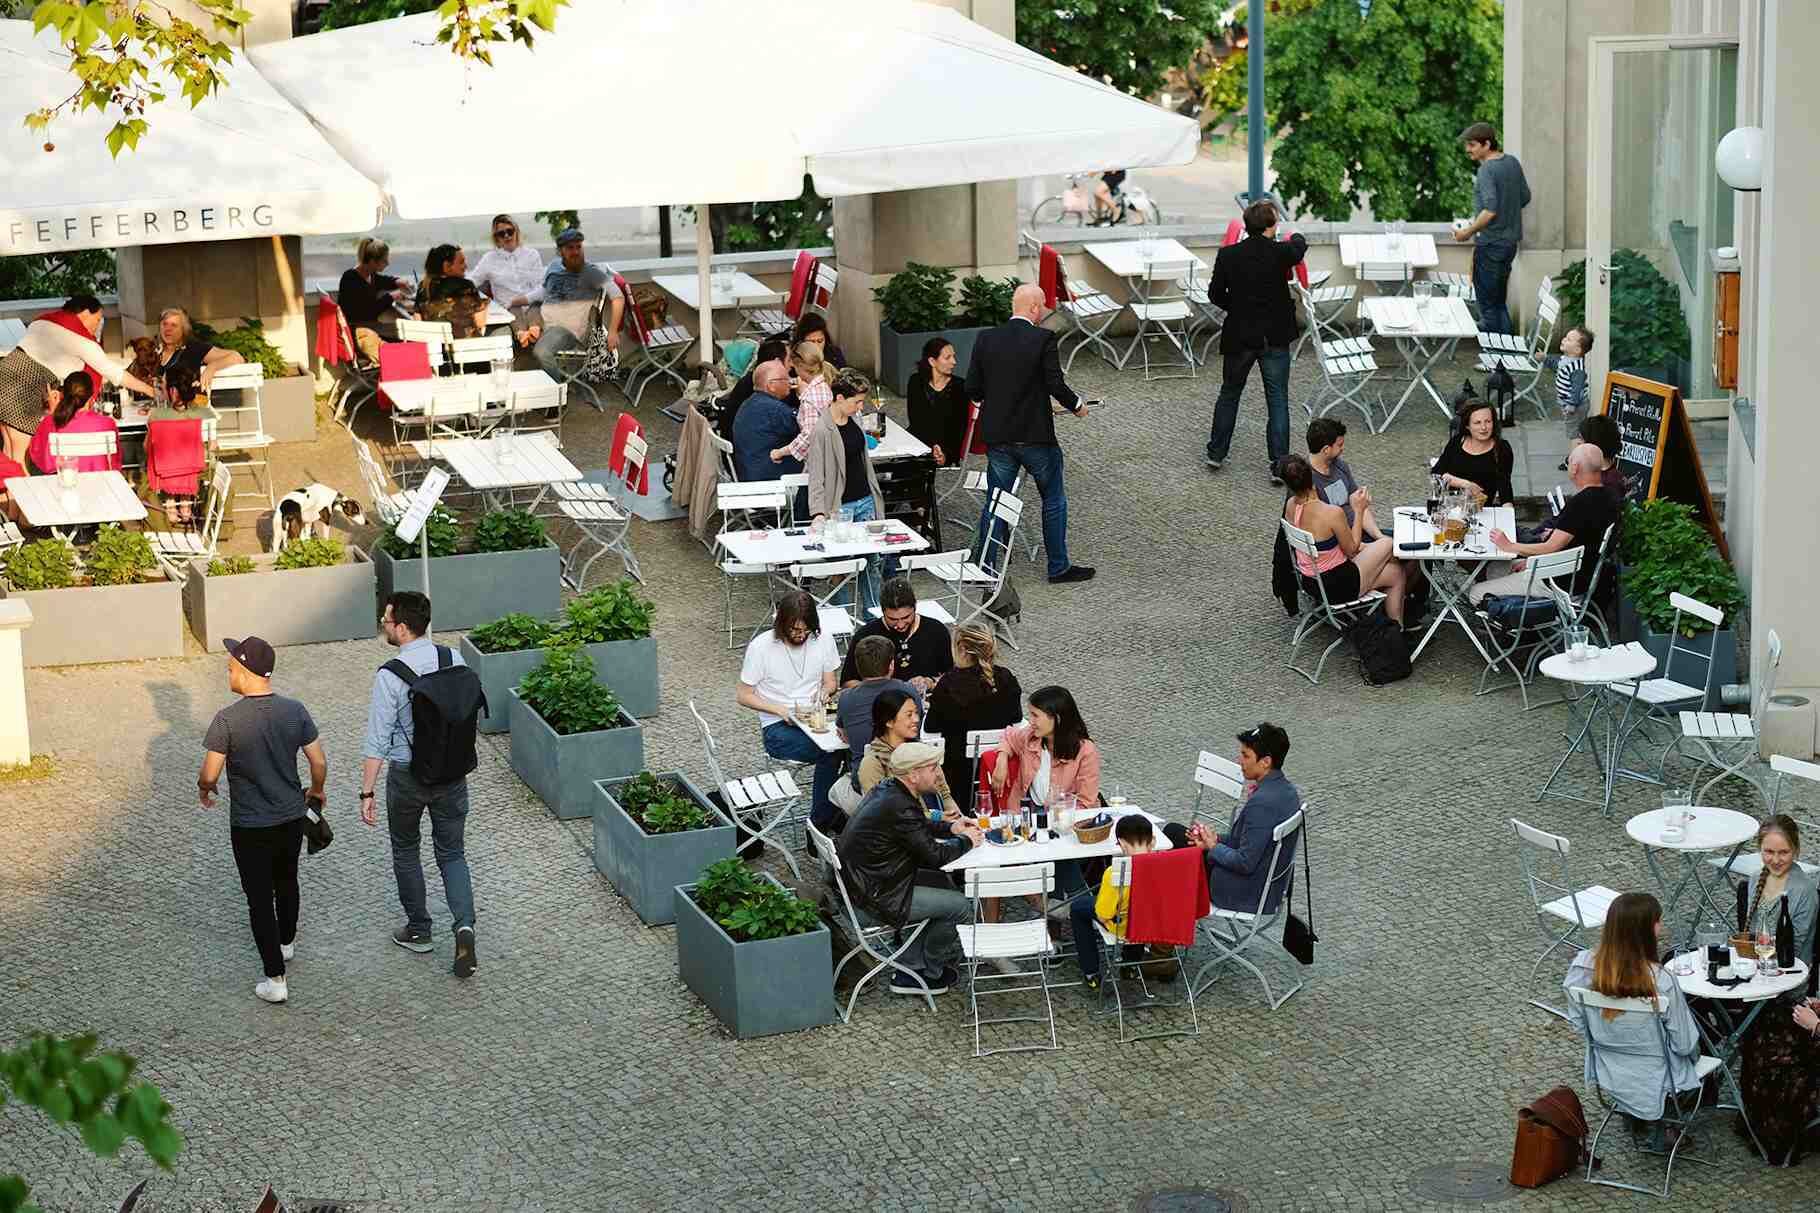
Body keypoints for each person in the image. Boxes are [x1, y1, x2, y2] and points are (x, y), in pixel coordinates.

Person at [198, 637, 328, 1005]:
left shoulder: (227, 719)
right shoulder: (295, 710)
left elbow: (210, 772)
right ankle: (286, 943)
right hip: (290, 816)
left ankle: (275, 978)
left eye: (229, 667)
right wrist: (316, 792)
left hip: (250, 824)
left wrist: (205, 789)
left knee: (258, 898)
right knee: (287, 881)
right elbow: (318, 762)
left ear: (244, 670)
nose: (227, 672)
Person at [360, 591, 479, 979]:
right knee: (452, 854)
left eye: (387, 619)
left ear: (403, 627)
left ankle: (419, 929)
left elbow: (377, 740)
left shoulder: (390, 676)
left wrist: (367, 791)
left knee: (406, 850)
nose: (383, 623)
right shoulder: (454, 659)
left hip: (408, 777)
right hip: (452, 774)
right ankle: (464, 927)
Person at [967, 282, 1093, 584]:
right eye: (1042, 308)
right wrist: (1077, 405)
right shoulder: (1043, 338)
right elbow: (1054, 383)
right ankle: (1058, 566)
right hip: (1036, 436)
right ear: (1034, 308)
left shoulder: (986, 338)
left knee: (997, 500)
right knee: (1053, 499)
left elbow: (973, 388)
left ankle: (985, 566)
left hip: (999, 436)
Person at [835, 741, 983, 996]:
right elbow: (936, 856)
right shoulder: (900, 803)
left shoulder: (889, 789)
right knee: (959, 906)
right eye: (933, 767)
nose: (938, 773)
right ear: (913, 775)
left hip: (867, 886)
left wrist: (951, 828)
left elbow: (915, 826)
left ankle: (912, 964)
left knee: (942, 883)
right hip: (876, 898)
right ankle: (927, 974)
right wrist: (968, 840)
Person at [1563, 892, 1702, 1152]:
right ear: (1649, 929)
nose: (1662, 927)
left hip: (1609, 1069)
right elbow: (1684, 1045)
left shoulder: (1583, 967)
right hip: (1659, 1076)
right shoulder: (1661, 980)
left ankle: (1637, 1113)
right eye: (1658, 922)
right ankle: (1671, 1120)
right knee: (1699, 1048)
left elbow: (1578, 1022)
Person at [1205, 200, 1307, 481]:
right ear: (1272, 226)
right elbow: (1299, 247)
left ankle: (1216, 453)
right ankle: (1279, 465)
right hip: (1275, 336)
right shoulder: (1280, 252)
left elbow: (1214, 294)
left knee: (1229, 393)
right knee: (1277, 399)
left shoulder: (1228, 255)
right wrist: (1295, 232)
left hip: (1240, 334)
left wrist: (1237, 308)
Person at [1737, 820, 1820, 1161]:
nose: (1775, 859)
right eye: (1769, 851)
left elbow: (1795, 950)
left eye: (1783, 852)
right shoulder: (1754, 882)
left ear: (1796, 850)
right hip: (1756, 973)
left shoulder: (1802, 892)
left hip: (1787, 983)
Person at [0, 295, 153, 466]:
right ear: (86, 312)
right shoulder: (80, 340)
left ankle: (5, 493)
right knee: (19, 459)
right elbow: (114, 373)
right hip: (23, 390)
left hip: (4, 374)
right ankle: (18, 494)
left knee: (8, 454)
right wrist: (150, 390)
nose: (98, 325)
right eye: (98, 319)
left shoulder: (42, 322)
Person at [736, 591, 843, 827]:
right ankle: (820, 824)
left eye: (805, 630)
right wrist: (780, 710)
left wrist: (826, 692)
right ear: (782, 625)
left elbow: (831, 681)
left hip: (816, 716)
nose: (800, 635)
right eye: (794, 630)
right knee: (832, 752)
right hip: (777, 727)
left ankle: (837, 815)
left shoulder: (822, 638)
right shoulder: (761, 647)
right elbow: (743, 695)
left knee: (852, 746)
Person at [1172, 723, 1301, 914]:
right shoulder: (1288, 791)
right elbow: (1248, 841)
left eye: (1246, 755)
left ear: (1265, 762)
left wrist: (1213, 848)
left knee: (1172, 846)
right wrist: (1214, 840)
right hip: (1268, 885)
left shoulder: (1262, 803)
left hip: (1242, 891)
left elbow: (1245, 862)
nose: (1240, 761)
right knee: (1176, 833)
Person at [1473, 444, 1618, 604]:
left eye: (1568, 462)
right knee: (1495, 569)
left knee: (1476, 592)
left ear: (1575, 468)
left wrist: (1509, 546)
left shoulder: (1580, 503)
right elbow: (1577, 540)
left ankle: (1521, 623)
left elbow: (1551, 547)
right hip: (1576, 574)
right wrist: (1532, 561)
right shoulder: (1610, 497)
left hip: (1558, 583)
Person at [1280, 453, 1406, 623]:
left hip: (1310, 582)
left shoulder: (1290, 507)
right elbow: (1351, 549)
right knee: (1388, 543)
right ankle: (1392, 632)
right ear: (1311, 477)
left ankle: (1396, 632)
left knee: (1396, 574)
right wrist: (1359, 510)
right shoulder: (1331, 513)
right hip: (1339, 584)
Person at [922, 623, 1024, 812]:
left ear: (960, 649)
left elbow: (930, 728)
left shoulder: (948, 685)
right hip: (998, 763)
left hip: (959, 771)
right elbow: (1017, 718)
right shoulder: (1006, 678)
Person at [1454, 122, 1531, 336]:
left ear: (1487, 144)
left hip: (1490, 246)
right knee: (1498, 304)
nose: (1468, 150)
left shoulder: (1486, 170)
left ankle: (1498, 365)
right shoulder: (1512, 163)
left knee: (1489, 309)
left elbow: (1490, 210)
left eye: (1472, 145)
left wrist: (1466, 232)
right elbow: (1525, 197)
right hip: (1508, 246)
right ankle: (1503, 360)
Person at [1070, 814, 1156, 990]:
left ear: (1122, 844)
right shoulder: (1163, 865)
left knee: (1078, 908)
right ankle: (1130, 964)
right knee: (1138, 910)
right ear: (1152, 841)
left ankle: (1091, 971)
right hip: (1150, 923)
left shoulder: (1114, 873)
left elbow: (1103, 914)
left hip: (1122, 926)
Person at [988, 685, 1101, 814]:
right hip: (1024, 814)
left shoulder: (1086, 751)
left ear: (1057, 719)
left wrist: (1055, 819)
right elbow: (1008, 736)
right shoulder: (1030, 736)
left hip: (1066, 818)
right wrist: (1001, 760)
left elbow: (1086, 803)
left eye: (1035, 715)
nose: (1030, 721)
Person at [854, 690, 961, 823]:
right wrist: (936, 817)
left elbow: (944, 794)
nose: (916, 719)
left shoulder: (921, 752)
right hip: (904, 834)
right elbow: (883, 813)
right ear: (889, 722)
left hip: (937, 826)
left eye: (916, 713)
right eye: (909, 715)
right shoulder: (873, 763)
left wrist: (958, 819)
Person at [839, 576, 954, 694]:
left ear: (915, 608)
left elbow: (951, 676)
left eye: (906, 617)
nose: (900, 625)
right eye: (892, 619)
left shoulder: (936, 630)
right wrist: (881, 688)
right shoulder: (866, 635)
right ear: (883, 611)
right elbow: (848, 683)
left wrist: (930, 682)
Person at [535, 228, 622, 377]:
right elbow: (543, 292)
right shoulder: (554, 267)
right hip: (544, 322)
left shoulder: (591, 272)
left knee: (541, 353)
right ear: (560, 251)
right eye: (570, 248)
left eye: (578, 247)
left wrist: (613, 331)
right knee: (511, 327)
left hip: (566, 329)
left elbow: (618, 297)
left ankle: (558, 389)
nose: (576, 251)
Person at [836, 635, 922, 761]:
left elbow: (845, 737)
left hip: (865, 772)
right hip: (907, 767)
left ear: (858, 666)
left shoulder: (846, 698)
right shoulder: (909, 691)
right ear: (891, 665)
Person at [471, 213, 544, 350]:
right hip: (508, 308)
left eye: (509, 231)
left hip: (531, 304)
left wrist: (525, 299)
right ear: (496, 238)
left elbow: (540, 286)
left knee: (534, 306)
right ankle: (522, 334)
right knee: (513, 307)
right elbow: (473, 281)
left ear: (516, 231)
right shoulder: (489, 259)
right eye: (501, 234)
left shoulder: (532, 255)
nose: (507, 236)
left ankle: (533, 331)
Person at [1304, 417, 1384, 538]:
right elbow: (1323, 531)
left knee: (1402, 546)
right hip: (1341, 543)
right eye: (1339, 445)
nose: (1343, 448)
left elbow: (1357, 504)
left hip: (1358, 530)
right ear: (1326, 449)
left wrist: (1379, 536)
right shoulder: (1307, 480)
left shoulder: (1340, 465)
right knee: (1397, 552)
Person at [27, 373, 121, 474]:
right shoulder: (107, 423)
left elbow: (38, 459)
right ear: (91, 396)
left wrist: (53, 413)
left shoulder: (51, 421)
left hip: (63, 483)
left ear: (63, 395)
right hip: (100, 483)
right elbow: (115, 463)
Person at [1432, 398, 1515, 506]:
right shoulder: (1457, 442)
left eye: (1488, 421)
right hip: (1451, 507)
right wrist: (1466, 484)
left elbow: (1505, 487)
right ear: (1467, 426)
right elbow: (1437, 473)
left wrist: (1508, 513)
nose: (1484, 427)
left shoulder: (1502, 448)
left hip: (1483, 509)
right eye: (1477, 423)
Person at [337, 237, 410, 360]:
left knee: (405, 331)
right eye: (384, 260)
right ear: (372, 261)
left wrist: (397, 281)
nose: (388, 263)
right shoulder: (350, 279)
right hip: (360, 329)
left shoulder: (369, 274)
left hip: (370, 325)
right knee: (406, 334)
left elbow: (383, 281)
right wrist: (391, 297)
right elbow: (368, 311)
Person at [730, 359, 801, 482]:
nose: (790, 382)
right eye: (785, 378)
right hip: (769, 476)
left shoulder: (749, 402)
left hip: (749, 470)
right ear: (771, 386)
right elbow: (806, 428)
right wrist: (803, 395)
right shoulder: (775, 410)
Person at [906, 336, 968, 466]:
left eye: (953, 356)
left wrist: (946, 454)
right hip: (919, 446)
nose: (954, 362)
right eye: (947, 357)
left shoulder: (960, 386)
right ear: (932, 361)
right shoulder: (915, 382)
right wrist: (931, 447)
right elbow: (915, 421)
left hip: (946, 451)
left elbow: (959, 428)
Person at [153, 307, 243, 391]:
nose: (168, 329)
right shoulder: (153, 351)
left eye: (174, 325)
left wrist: (212, 367)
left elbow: (236, 357)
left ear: (183, 330)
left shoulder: (193, 347)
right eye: (165, 324)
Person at [779, 341, 837, 466]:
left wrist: (781, 452)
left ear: (799, 366)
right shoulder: (825, 386)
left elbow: (810, 435)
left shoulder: (810, 398)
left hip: (820, 460)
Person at [413, 244, 488, 338]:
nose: (466, 266)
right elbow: (480, 322)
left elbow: (418, 320)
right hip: (466, 347)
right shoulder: (466, 286)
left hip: (436, 347)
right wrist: (485, 305)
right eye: (461, 262)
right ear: (447, 266)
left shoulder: (423, 286)